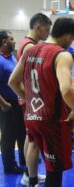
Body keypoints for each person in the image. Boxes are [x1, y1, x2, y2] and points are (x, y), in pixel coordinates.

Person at [9, 17, 74, 187]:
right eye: (72, 39)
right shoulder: (62, 54)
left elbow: (13, 81)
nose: (70, 43)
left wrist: (30, 99)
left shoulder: (30, 51)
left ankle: (31, 179)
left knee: (36, 151)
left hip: (31, 116)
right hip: (51, 121)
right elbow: (67, 90)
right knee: (54, 172)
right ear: (67, 36)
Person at [17, 12, 52, 186]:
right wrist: (29, 99)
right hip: (33, 102)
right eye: (47, 29)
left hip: (30, 101)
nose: (48, 32)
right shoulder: (30, 48)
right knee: (35, 142)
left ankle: (28, 173)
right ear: (38, 28)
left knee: (29, 138)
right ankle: (31, 180)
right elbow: (20, 80)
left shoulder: (27, 44)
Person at [0, 30, 26, 174]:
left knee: (22, 133)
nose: (15, 41)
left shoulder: (11, 57)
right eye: (11, 39)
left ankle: (24, 159)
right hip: (6, 104)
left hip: (16, 103)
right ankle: (10, 166)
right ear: (4, 42)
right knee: (8, 137)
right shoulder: (0, 60)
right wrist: (4, 104)